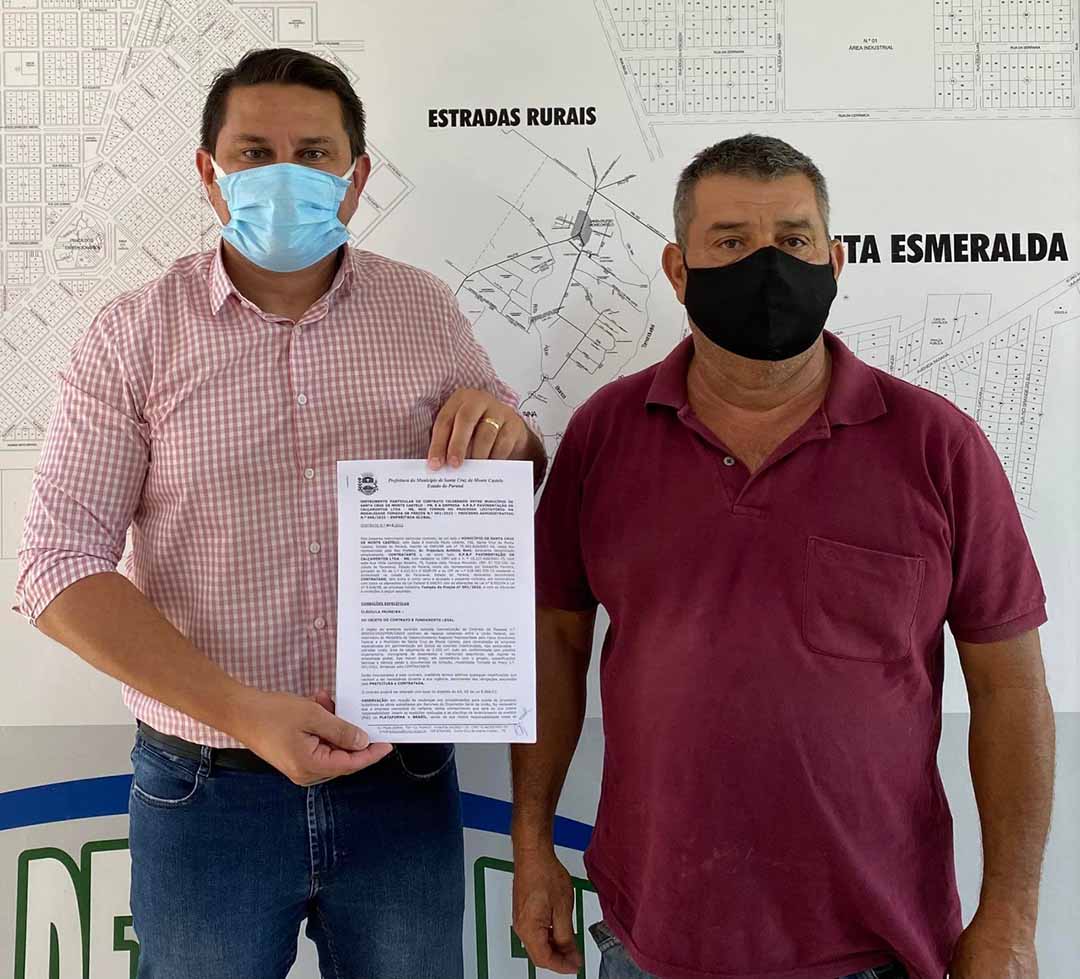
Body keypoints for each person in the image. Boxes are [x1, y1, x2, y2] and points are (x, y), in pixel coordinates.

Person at [13, 47, 545, 979]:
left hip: (402, 778)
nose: (285, 175)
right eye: (255, 153)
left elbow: (512, 473)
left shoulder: (423, 311)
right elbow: (56, 566)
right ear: (210, 172)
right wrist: (244, 713)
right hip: (205, 786)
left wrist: (513, 436)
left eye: (314, 152)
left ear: (357, 176)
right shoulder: (132, 334)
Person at [510, 134, 1053, 979]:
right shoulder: (605, 434)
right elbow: (553, 642)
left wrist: (1011, 916)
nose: (768, 266)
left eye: (794, 240)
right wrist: (532, 842)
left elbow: (1009, 686)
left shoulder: (937, 445)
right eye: (730, 242)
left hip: (876, 947)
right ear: (678, 270)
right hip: (652, 942)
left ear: (834, 260)